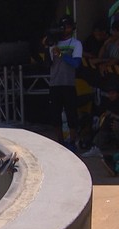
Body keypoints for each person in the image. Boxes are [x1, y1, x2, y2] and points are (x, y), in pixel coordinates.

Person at [42, 15, 83, 151]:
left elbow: (76, 63)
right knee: (55, 114)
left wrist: (62, 55)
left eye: (68, 27)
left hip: (68, 83)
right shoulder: (53, 43)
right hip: (54, 84)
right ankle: (60, 141)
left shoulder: (76, 43)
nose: (66, 29)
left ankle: (72, 141)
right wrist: (46, 48)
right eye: (63, 27)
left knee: (71, 114)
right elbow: (48, 64)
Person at [81, 83, 119, 158]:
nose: (111, 95)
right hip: (108, 127)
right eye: (109, 94)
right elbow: (101, 112)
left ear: (117, 94)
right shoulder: (107, 102)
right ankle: (91, 144)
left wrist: (117, 117)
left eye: (113, 93)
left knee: (112, 123)